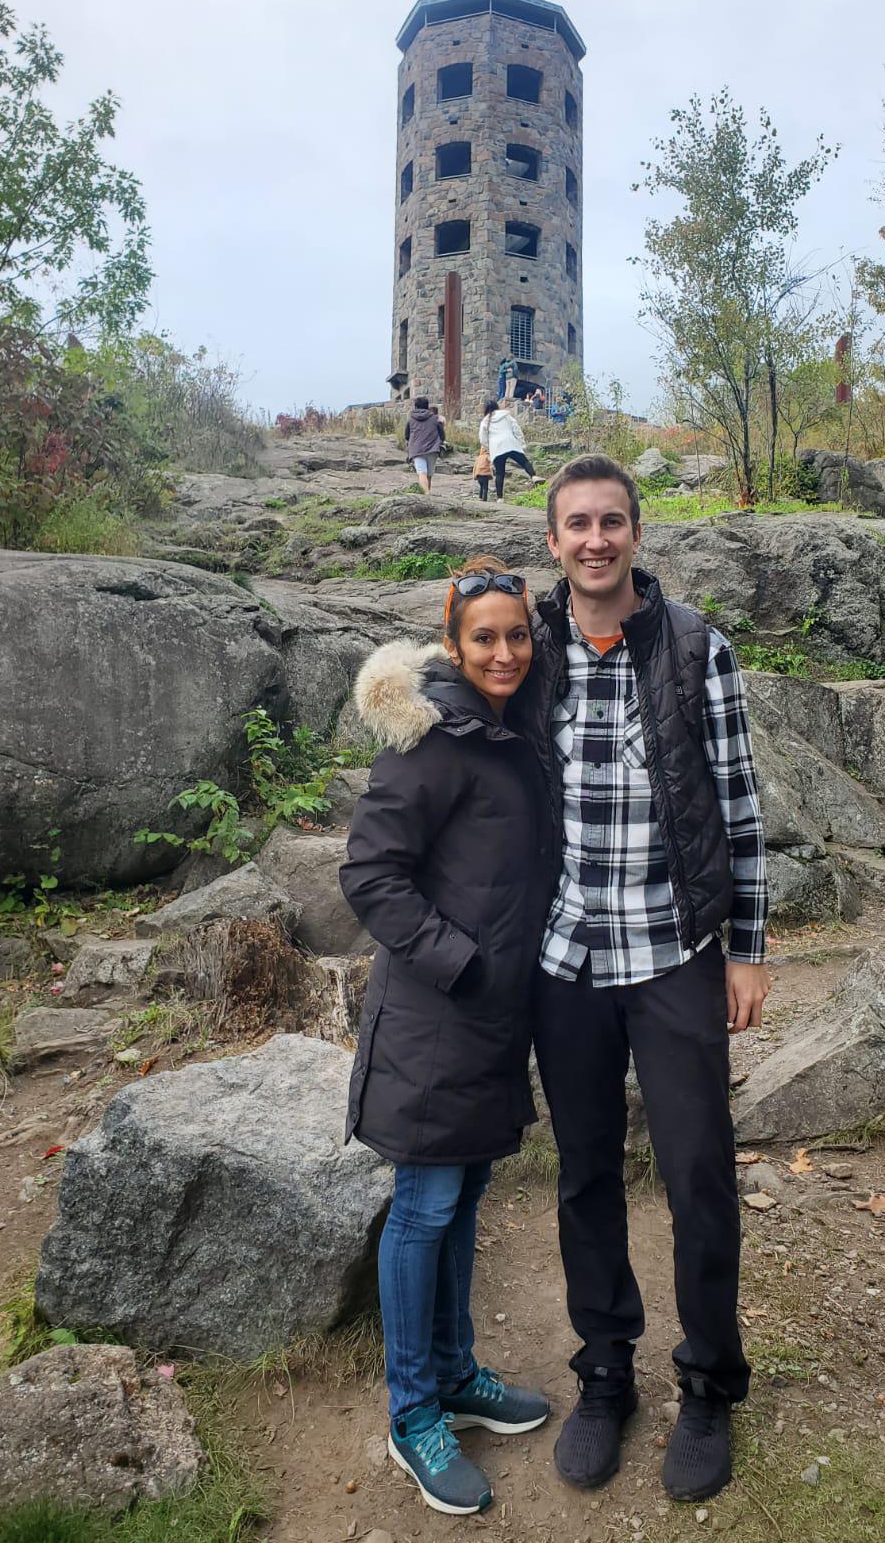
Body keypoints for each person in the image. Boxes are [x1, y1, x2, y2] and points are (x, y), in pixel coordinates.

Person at [513, 453, 769, 1504]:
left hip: (673, 953)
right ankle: (605, 1372)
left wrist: (748, 945)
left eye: (611, 521)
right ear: (553, 539)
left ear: (637, 531)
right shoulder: (525, 649)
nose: (595, 540)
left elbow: (741, 805)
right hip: (566, 960)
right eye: (576, 524)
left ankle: (707, 1382)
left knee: (700, 1171)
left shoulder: (697, 646)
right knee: (584, 1174)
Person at [340, 556, 554, 1517]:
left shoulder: (509, 731)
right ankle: (413, 1411)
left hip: (492, 1017)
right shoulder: (427, 742)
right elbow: (371, 876)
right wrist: (461, 963)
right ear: (452, 642)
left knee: (464, 1198)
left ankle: (459, 1375)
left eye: (516, 635)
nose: (503, 652)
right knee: (424, 1207)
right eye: (484, 638)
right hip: (436, 1017)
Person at [479, 399, 535, 501]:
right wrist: (521, 443)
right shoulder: (505, 415)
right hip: (511, 443)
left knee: (500, 473)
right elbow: (516, 429)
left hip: (497, 447)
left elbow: (483, 439)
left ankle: (500, 498)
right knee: (524, 461)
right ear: (496, 406)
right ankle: (534, 476)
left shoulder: (485, 421)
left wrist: (490, 448)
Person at [404, 396, 445, 494]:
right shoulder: (435, 419)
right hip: (433, 449)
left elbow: (406, 435)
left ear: (416, 407)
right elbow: (442, 435)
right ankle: (427, 494)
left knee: (422, 473)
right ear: (427, 407)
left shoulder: (410, 420)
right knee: (429, 475)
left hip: (417, 450)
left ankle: (426, 496)